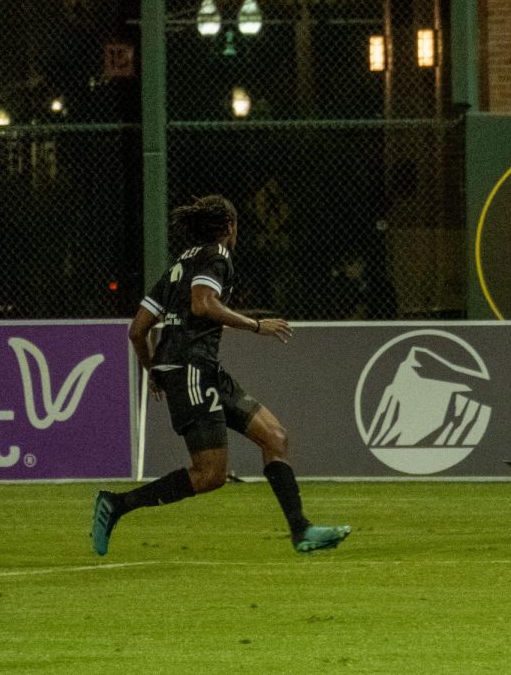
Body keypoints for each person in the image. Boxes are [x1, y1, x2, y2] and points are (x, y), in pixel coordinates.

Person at [91, 194, 351, 556]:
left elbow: (137, 330)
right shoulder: (218, 256)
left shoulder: (177, 266)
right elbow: (203, 304)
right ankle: (116, 504)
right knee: (209, 475)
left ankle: (302, 531)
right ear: (230, 226)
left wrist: (154, 369)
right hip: (192, 369)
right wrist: (256, 325)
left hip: (199, 370)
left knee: (274, 437)